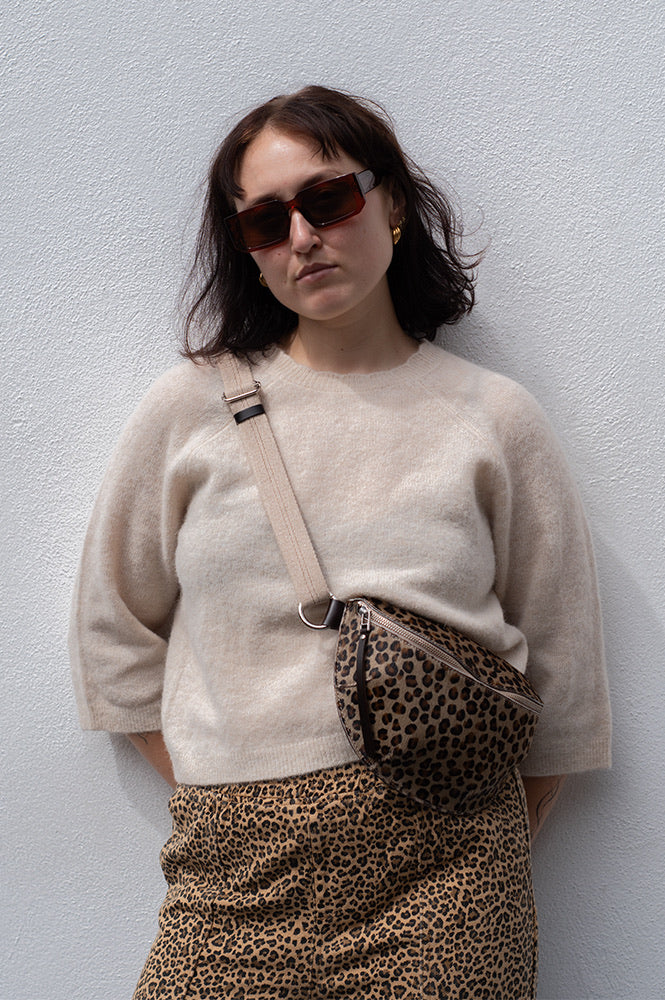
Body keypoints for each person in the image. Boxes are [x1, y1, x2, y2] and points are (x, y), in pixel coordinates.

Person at [70, 85, 611, 999]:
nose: (301, 236)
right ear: (246, 250)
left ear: (390, 202)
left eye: (328, 200)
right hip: (236, 878)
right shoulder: (188, 411)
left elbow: (564, 675)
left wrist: (475, 840)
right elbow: (110, 631)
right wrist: (218, 787)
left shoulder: (493, 418)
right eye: (264, 221)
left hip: (447, 885)